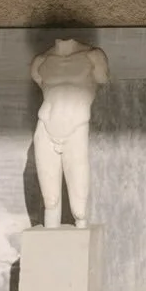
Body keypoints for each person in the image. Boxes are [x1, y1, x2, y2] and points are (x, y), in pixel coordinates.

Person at [30, 38, 110, 230]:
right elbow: (40, 83)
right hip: (45, 125)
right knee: (50, 201)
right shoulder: (40, 61)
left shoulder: (93, 56)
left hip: (77, 126)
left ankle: (81, 230)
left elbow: (102, 79)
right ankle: (49, 240)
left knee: (80, 210)